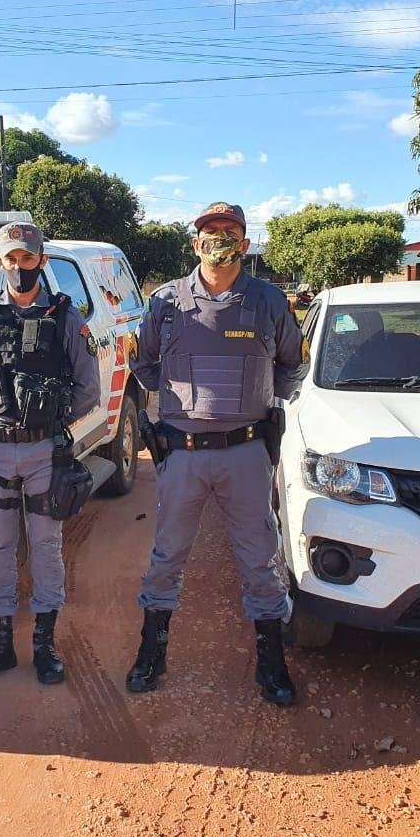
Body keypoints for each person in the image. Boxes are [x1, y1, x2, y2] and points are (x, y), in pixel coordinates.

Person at [127, 202, 308, 705]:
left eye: (229, 232)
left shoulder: (270, 302)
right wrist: (182, 408)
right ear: (195, 243)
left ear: (245, 244)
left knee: (261, 559)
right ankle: (152, 651)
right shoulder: (164, 302)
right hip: (182, 453)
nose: (219, 240)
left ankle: (271, 664)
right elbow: (144, 365)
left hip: (246, 453)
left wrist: (260, 404)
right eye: (209, 232)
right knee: (167, 556)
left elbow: (291, 368)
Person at [0, 221, 101, 685]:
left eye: (27, 258)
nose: (19, 267)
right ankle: (1, 647)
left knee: (45, 548)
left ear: (42, 261)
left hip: (43, 454)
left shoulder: (65, 317)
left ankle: (44, 645)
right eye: (10, 258)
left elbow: (88, 389)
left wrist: (49, 420)